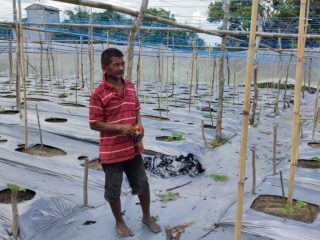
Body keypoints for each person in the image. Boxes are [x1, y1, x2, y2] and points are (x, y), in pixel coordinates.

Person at [89, 48, 161, 237]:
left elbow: (136, 108)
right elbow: (94, 123)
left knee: (142, 184)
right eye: (116, 65)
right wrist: (120, 128)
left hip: (133, 148)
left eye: (123, 64)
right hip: (112, 152)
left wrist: (139, 124)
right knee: (113, 190)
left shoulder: (129, 85)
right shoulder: (98, 93)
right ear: (105, 68)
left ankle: (146, 216)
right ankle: (119, 222)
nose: (121, 68)